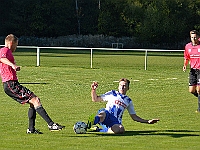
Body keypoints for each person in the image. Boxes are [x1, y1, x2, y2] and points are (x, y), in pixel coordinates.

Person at [0, 34, 65, 134]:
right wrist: (13, 65)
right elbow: (2, 58)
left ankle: (31, 129)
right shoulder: (5, 50)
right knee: (35, 100)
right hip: (10, 84)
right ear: (11, 43)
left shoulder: (7, 52)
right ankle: (51, 124)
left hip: (12, 84)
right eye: (16, 45)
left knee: (33, 102)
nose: (16, 48)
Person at [87, 78, 159, 134]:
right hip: (107, 114)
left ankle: (99, 130)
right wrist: (93, 90)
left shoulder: (128, 101)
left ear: (128, 88)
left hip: (115, 121)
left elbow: (134, 117)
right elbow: (95, 99)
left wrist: (147, 121)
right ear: (118, 86)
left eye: (124, 86)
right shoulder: (112, 93)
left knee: (121, 130)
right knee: (102, 114)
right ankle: (89, 124)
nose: (122, 87)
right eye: (121, 85)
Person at [183, 30, 200, 112]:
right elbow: (186, 57)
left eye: (195, 37)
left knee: (199, 89)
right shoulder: (188, 46)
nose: (193, 39)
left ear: (198, 37)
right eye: (192, 37)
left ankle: (199, 108)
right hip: (193, 70)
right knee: (191, 90)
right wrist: (185, 65)